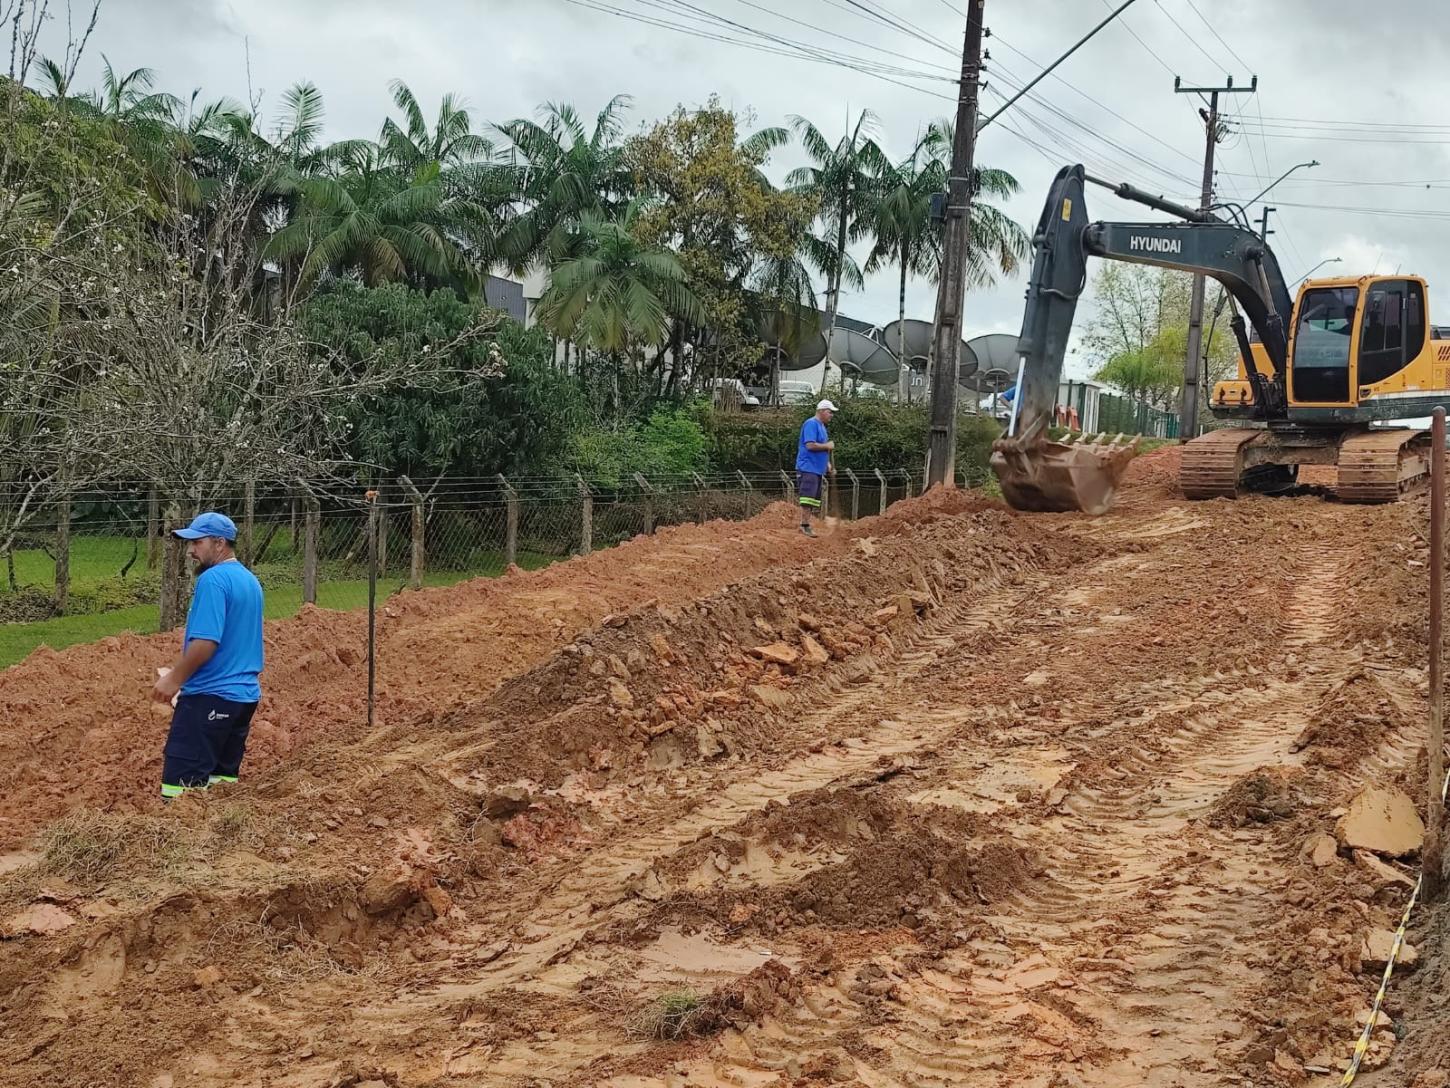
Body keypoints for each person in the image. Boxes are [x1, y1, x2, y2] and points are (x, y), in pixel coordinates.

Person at [151, 512, 264, 800]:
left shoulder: (213, 580)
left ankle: (179, 843)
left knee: (179, 794)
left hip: (209, 697)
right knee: (220, 790)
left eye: (197, 543)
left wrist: (173, 680)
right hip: (243, 699)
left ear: (219, 543)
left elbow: (205, 642)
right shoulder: (249, 580)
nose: (190, 551)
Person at [796, 399, 837, 536]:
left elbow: (821, 448)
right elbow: (810, 445)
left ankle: (806, 523)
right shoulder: (811, 424)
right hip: (808, 467)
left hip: (817, 469)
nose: (831, 415)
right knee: (807, 497)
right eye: (829, 412)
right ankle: (804, 524)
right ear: (821, 411)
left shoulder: (822, 427)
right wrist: (828, 446)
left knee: (813, 498)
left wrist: (826, 463)